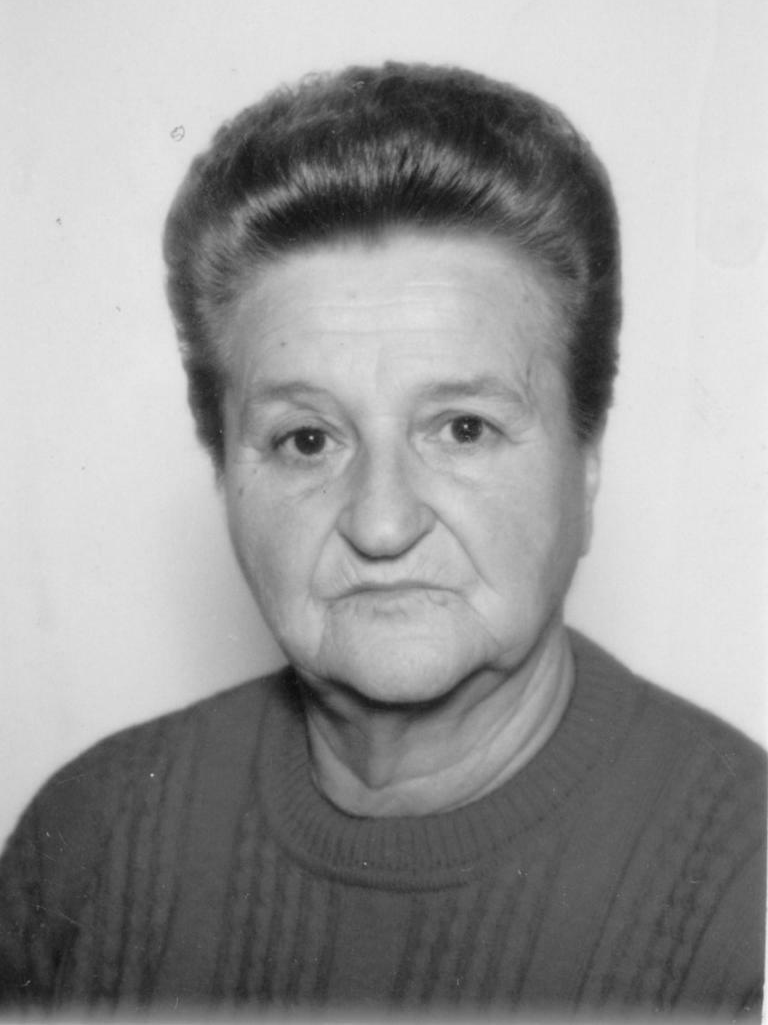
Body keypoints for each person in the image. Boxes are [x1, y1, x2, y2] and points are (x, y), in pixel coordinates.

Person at [0, 62, 764, 1018]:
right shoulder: (87, 838)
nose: (382, 521)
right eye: (306, 439)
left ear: (587, 464)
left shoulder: (744, 891)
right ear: (224, 474)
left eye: (464, 428)